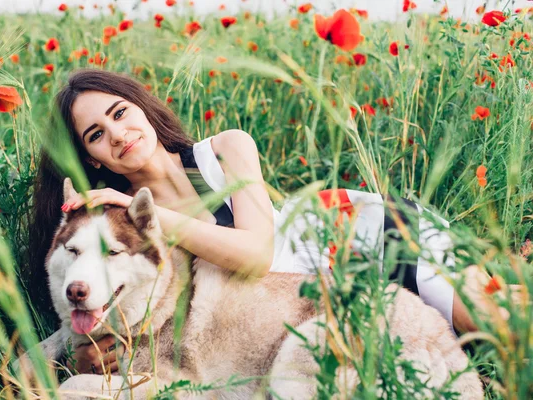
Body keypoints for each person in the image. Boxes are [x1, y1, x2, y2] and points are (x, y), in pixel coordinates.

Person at [29, 69, 481, 376]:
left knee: (496, 327)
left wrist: (154, 221)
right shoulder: (125, 229)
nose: (118, 135)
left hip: (365, 235)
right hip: (316, 310)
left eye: (119, 113)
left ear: (141, 107)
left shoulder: (224, 150)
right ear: (92, 157)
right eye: (96, 135)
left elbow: (257, 256)